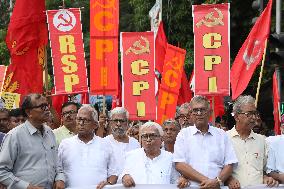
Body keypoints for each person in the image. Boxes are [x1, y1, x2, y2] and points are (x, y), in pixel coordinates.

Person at [0, 93, 65, 189]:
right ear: (29, 112)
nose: (47, 110)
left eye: (47, 105)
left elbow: (57, 163)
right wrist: (26, 187)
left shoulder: (49, 132)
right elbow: (2, 171)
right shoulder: (14, 136)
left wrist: (60, 178)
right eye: (42, 107)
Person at [174, 95, 238, 189]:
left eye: (202, 110)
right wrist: (207, 181)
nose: (199, 113)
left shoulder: (221, 135)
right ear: (191, 114)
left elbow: (230, 163)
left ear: (210, 113)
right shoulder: (183, 134)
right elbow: (179, 164)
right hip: (192, 187)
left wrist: (218, 181)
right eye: (195, 110)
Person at [57, 104, 117, 188]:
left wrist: (109, 184)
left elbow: (114, 173)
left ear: (95, 125)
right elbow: (58, 170)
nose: (81, 123)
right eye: (79, 119)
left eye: (86, 120)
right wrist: (60, 180)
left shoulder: (105, 145)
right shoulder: (65, 144)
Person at [226, 95, 278, 189]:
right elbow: (217, 168)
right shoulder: (224, 139)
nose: (254, 118)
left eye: (255, 113)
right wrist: (228, 179)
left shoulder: (262, 140)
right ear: (237, 117)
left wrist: (266, 177)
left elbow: (266, 169)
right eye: (249, 114)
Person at [121, 121, 189, 188]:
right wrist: (124, 177)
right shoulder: (131, 156)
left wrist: (181, 180)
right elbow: (123, 174)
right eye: (144, 136)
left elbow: (175, 180)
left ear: (161, 138)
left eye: (152, 135)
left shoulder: (170, 158)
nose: (148, 139)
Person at [104, 107, 140, 177]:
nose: (118, 124)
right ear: (111, 123)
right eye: (115, 121)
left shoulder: (135, 144)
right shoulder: (104, 143)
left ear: (127, 123)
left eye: (121, 121)